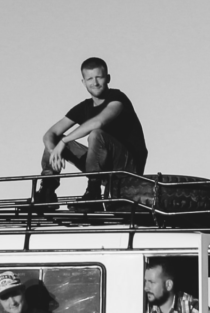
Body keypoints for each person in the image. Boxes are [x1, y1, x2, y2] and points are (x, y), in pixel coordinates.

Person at [35, 57, 148, 210]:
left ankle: (93, 192)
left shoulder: (118, 99)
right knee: (55, 140)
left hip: (127, 167)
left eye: (99, 77)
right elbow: (50, 133)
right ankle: (47, 192)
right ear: (83, 82)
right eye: (89, 79)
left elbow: (99, 122)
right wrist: (53, 151)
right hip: (101, 164)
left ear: (107, 78)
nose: (95, 83)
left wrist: (64, 142)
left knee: (96, 134)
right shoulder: (84, 107)